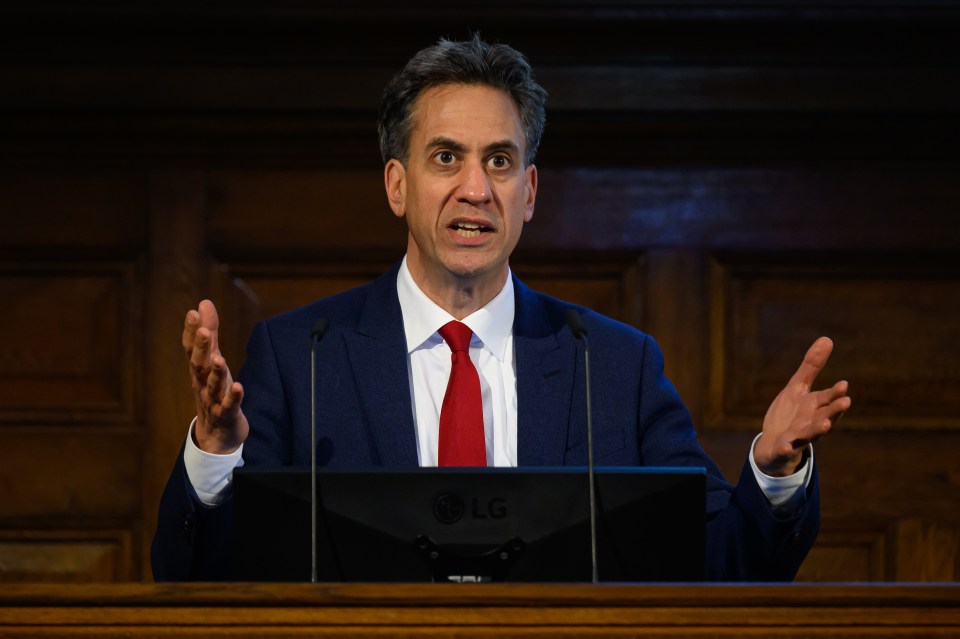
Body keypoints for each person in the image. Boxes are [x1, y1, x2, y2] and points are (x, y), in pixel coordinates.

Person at [151, 35, 851, 581]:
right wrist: (215, 457)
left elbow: (721, 565)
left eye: (501, 161)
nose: (477, 189)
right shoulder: (301, 356)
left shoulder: (613, 365)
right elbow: (199, 577)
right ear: (397, 184)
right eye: (447, 157)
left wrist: (773, 470)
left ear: (530, 191)